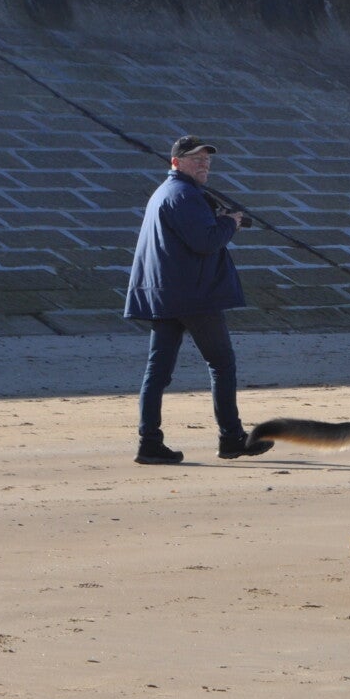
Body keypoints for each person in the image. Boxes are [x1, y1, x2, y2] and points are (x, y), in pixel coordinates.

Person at [124, 136, 273, 465]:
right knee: (221, 365)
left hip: (166, 295)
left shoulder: (167, 192)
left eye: (207, 159)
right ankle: (231, 438)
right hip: (194, 296)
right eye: (196, 159)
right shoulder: (184, 194)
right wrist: (229, 222)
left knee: (157, 372)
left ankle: (149, 443)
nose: (204, 164)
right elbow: (206, 242)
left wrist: (222, 221)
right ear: (176, 162)